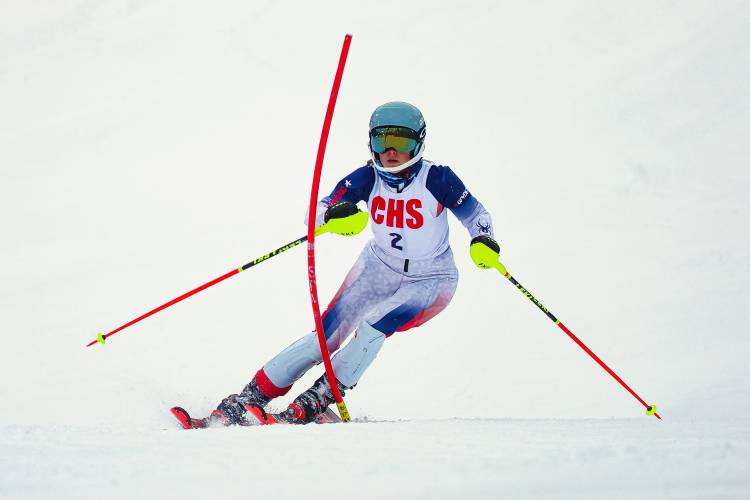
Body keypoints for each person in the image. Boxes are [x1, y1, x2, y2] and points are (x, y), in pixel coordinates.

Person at [211, 101, 499, 425]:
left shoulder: (438, 179)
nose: (390, 151)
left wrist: (483, 239)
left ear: (417, 143)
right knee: (324, 336)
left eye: (401, 142)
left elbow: (477, 216)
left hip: (430, 277)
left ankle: (319, 398)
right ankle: (251, 396)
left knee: (374, 325)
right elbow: (316, 212)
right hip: (378, 266)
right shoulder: (366, 177)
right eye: (381, 141)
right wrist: (333, 215)